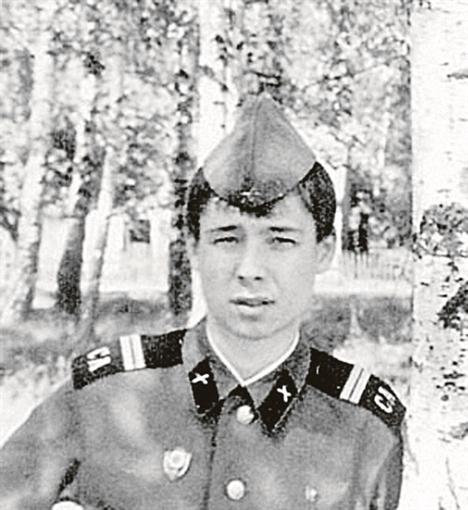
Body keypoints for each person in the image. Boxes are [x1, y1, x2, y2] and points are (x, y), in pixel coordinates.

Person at [0, 94, 405, 510]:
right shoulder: (105, 397)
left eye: (280, 240)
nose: (250, 269)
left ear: (324, 251)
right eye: (227, 239)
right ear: (194, 248)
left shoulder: (365, 430)